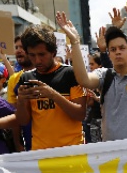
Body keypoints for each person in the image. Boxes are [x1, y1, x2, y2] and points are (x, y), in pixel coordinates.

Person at [58, 0, 127, 142]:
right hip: (111, 154)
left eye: (122, 48)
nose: (117, 52)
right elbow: (83, 79)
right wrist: (74, 41)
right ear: (108, 54)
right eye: (113, 49)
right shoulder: (104, 75)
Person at [15, 22, 87, 150]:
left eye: (42, 55)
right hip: (41, 152)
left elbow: (80, 114)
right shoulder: (26, 78)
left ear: (53, 52)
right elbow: (23, 121)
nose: (37, 61)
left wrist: (53, 95)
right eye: (32, 55)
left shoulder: (70, 74)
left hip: (72, 151)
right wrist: (21, 101)